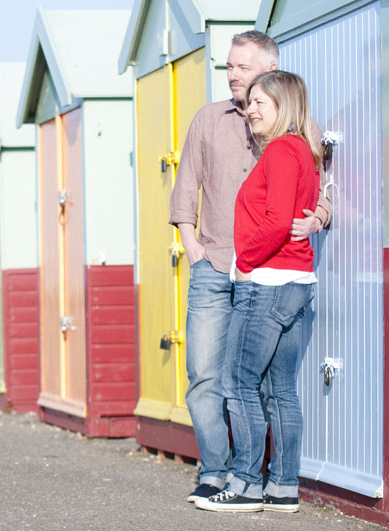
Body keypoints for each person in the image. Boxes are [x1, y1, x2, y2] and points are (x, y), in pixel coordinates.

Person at [169, 30, 331, 503]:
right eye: (229, 66)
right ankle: (217, 471)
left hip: (266, 274)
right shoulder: (208, 119)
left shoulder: (300, 128)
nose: (233, 75)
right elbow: (186, 187)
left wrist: (317, 220)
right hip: (217, 265)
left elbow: (322, 192)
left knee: (259, 383)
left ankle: (254, 479)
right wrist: (191, 244)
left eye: (243, 67)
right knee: (205, 375)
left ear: (270, 71)